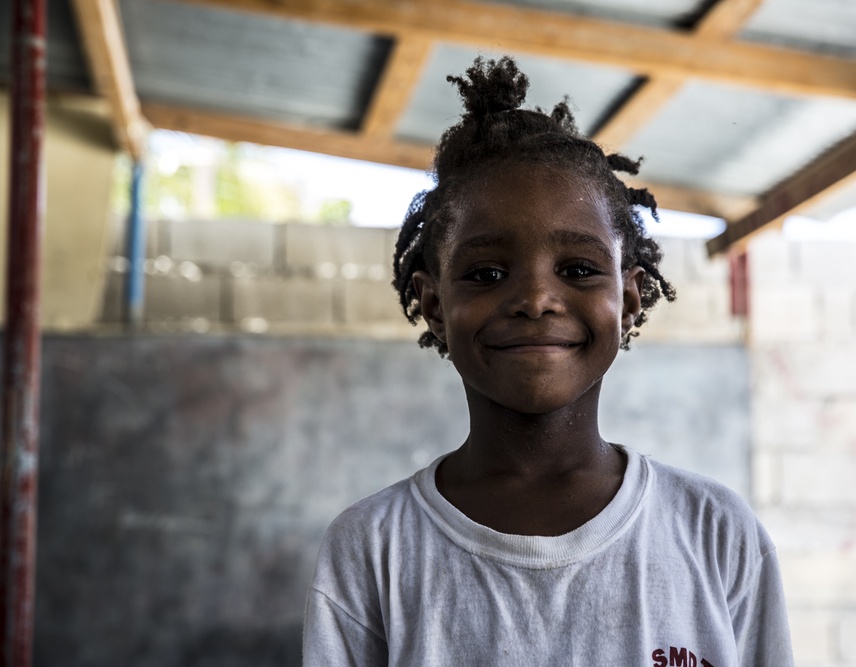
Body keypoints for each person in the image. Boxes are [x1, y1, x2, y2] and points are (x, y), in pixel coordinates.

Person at [303, 56, 793, 666]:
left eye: (579, 270)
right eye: (486, 274)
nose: (535, 299)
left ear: (631, 299)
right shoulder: (373, 549)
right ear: (433, 305)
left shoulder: (715, 533)